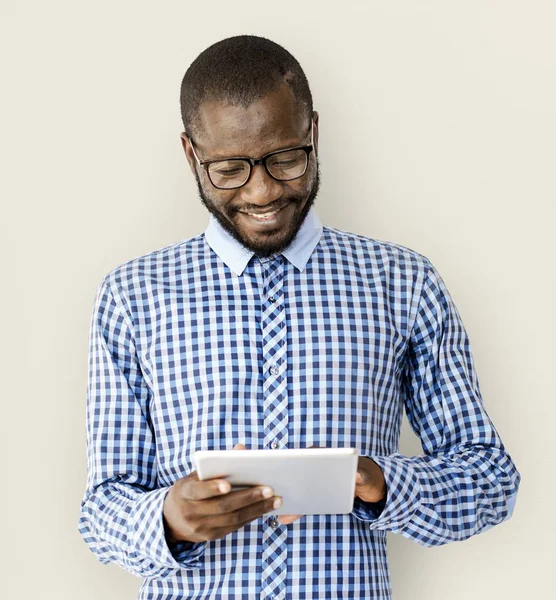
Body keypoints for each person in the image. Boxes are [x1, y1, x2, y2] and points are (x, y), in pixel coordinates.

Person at [78, 35, 521, 600]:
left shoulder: (403, 283)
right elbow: (100, 512)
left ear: (313, 132)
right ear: (191, 155)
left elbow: (489, 480)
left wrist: (385, 483)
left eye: (286, 158)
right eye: (230, 169)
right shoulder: (132, 295)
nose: (262, 191)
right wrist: (167, 519)